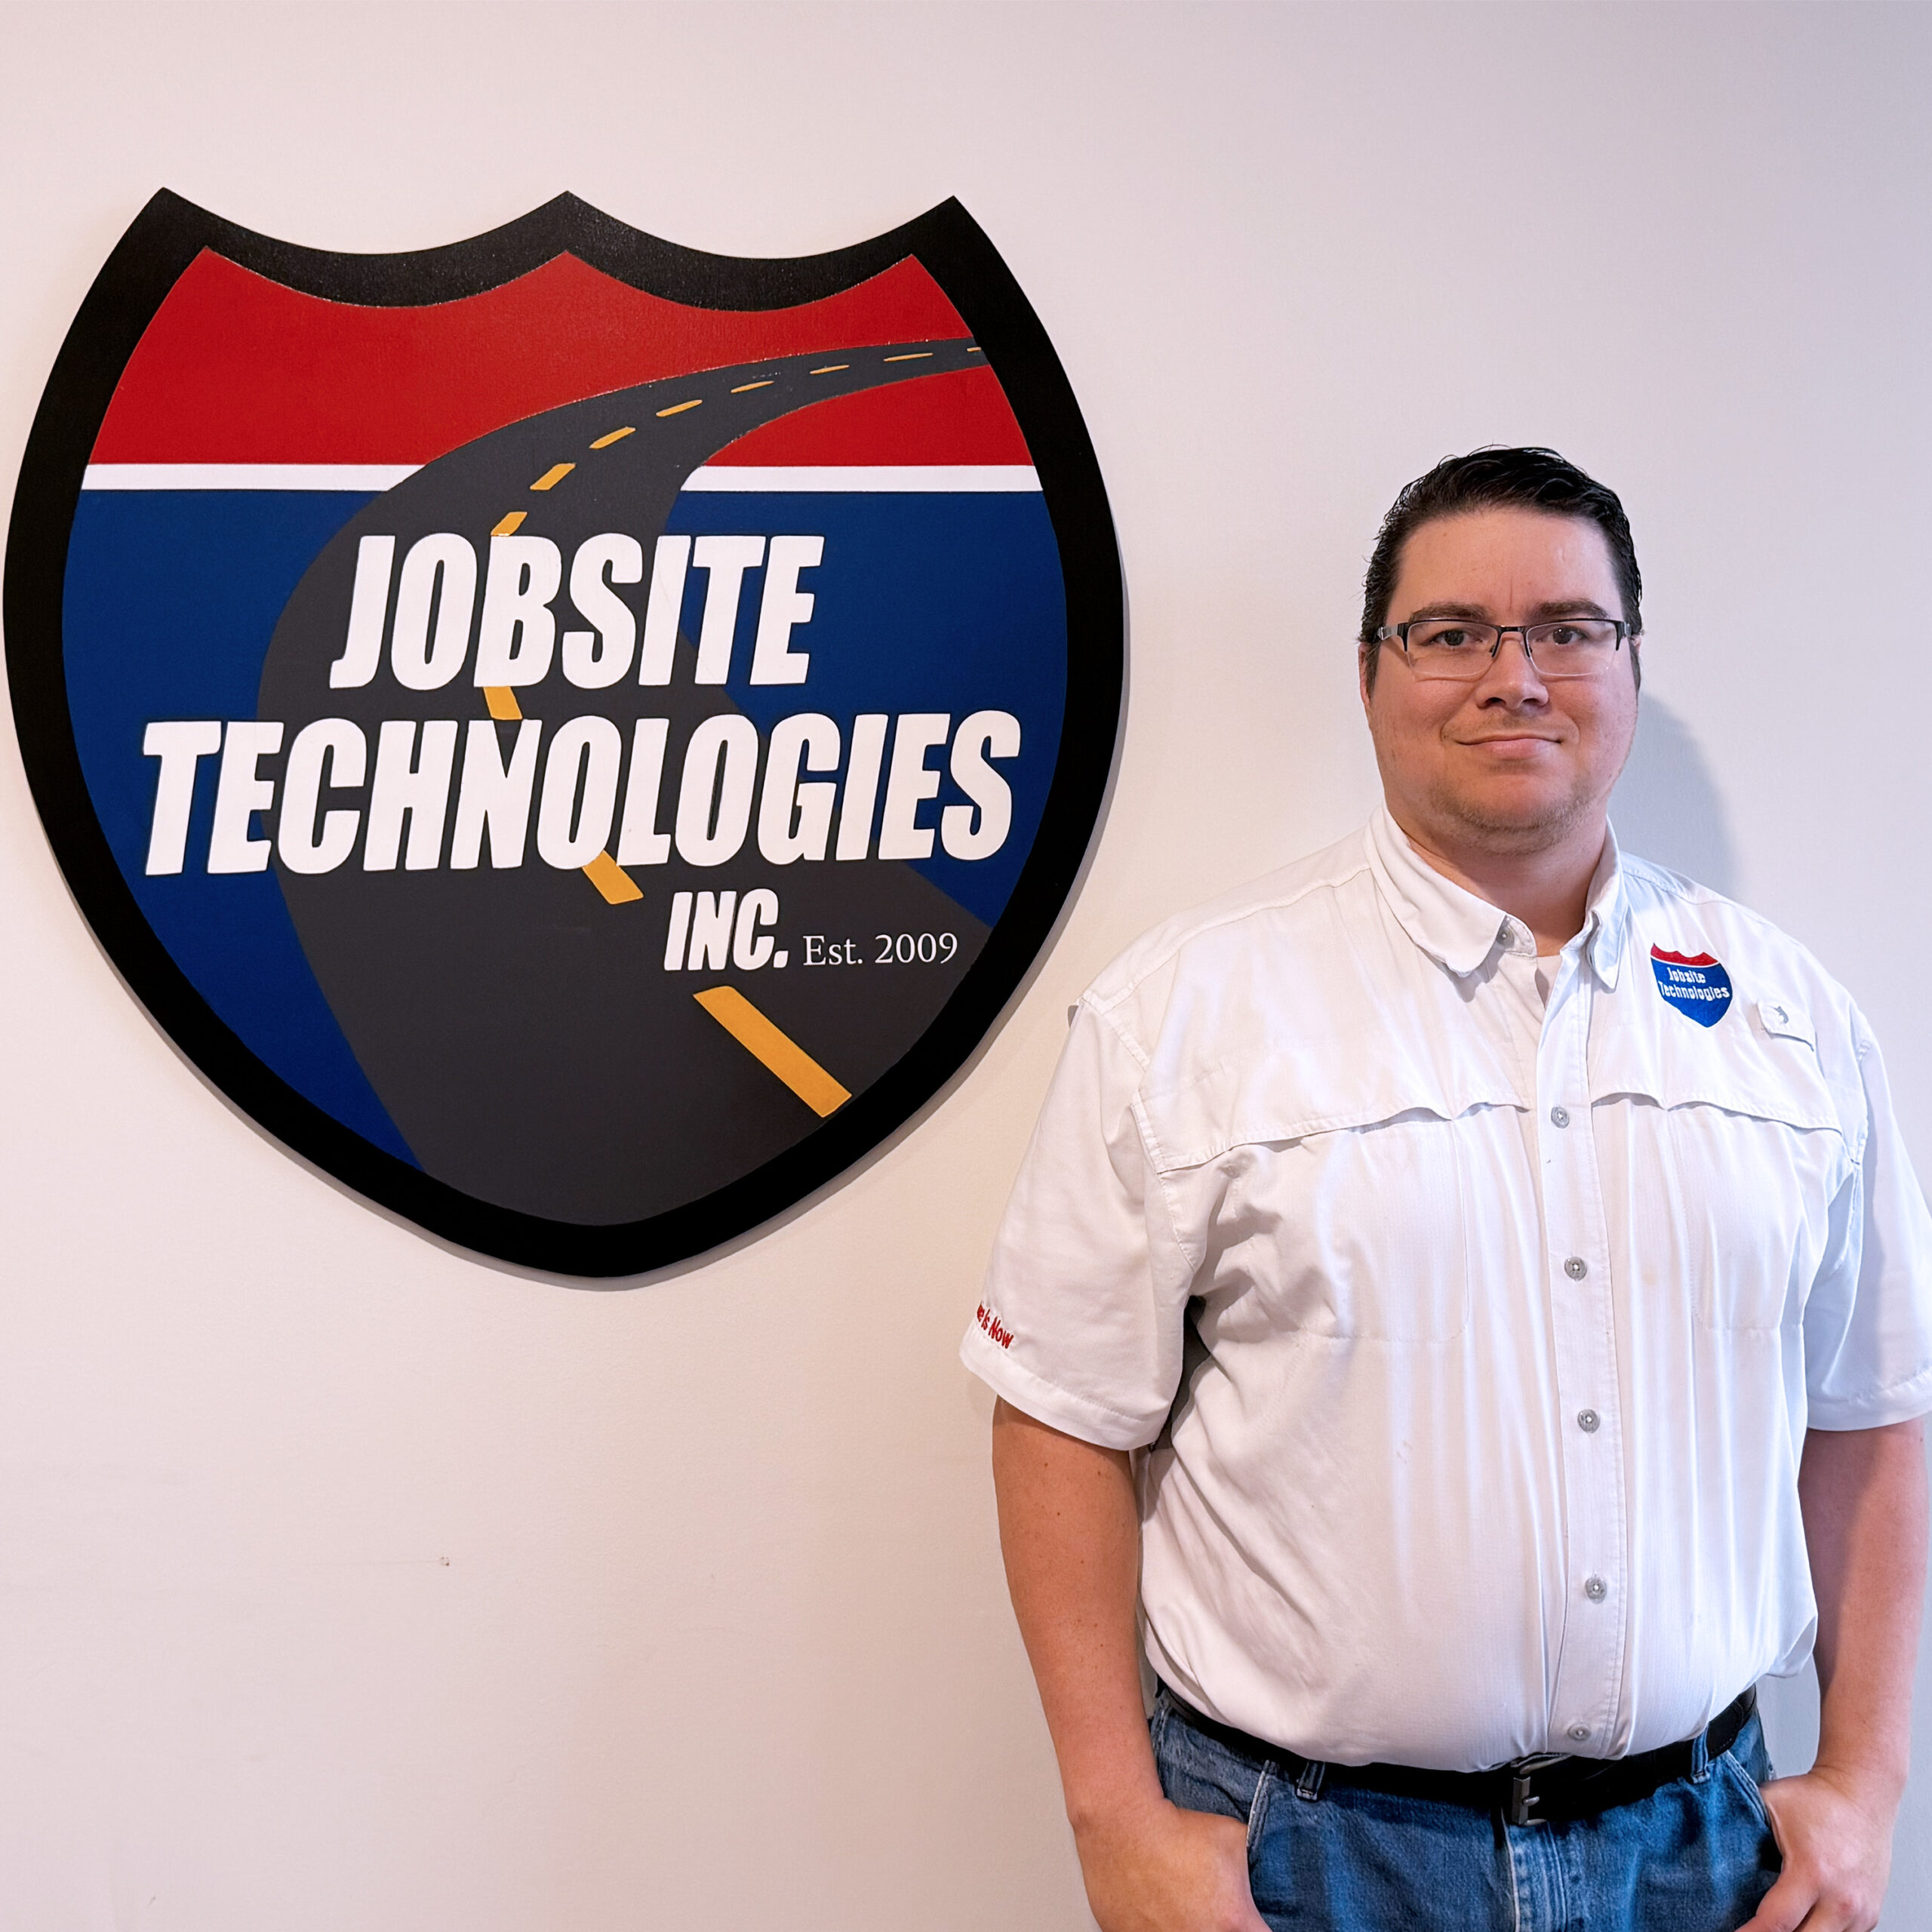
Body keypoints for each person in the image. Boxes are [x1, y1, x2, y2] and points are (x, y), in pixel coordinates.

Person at [961, 448, 1932, 1932]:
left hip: (1702, 1855)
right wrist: (1112, 1818)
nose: (1514, 677)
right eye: (1451, 632)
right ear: (1368, 673)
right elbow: (1059, 1415)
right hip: (1309, 1860)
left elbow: (1867, 1411)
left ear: (1627, 663)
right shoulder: (1187, 1011)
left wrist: (1864, 1780)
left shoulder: (1790, 1020)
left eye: (1567, 630)